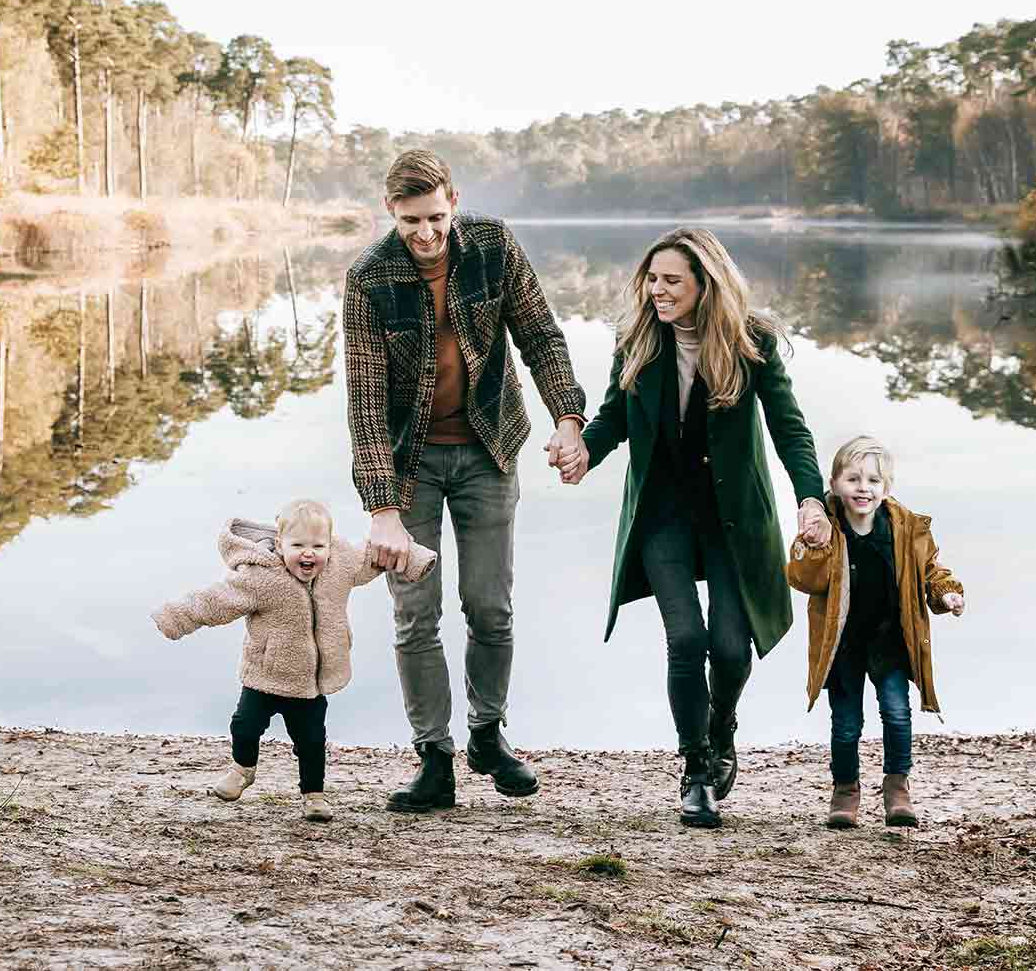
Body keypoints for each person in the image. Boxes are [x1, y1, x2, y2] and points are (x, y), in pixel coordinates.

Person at [342, 149, 587, 812]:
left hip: (489, 448)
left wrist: (568, 418)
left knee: (491, 606)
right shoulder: (368, 276)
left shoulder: (491, 245)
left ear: (454, 201)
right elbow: (364, 402)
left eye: (435, 218)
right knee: (414, 614)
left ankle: (486, 733)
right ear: (390, 212)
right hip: (408, 463)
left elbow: (540, 334)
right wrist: (382, 509)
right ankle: (434, 757)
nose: (424, 234)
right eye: (410, 220)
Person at [566, 227, 828, 828]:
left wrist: (810, 499)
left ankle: (722, 726)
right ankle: (696, 768)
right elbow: (614, 417)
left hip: (733, 520)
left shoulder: (749, 340)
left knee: (733, 650)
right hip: (662, 515)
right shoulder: (637, 338)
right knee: (687, 640)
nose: (657, 291)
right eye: (652, 279)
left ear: (704, 283)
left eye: (671, 281)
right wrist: (585, 451)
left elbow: (791, 430)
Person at [150, 500, 436, 822]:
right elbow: (216, 601)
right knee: (243, 726)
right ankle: (243, 769)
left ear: (329, 545)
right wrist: (175, 617)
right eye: (297, 545)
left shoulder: (339, 565)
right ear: (280, 544)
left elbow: (375, 555)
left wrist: (415, 557)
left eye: (318, 545)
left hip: (310, 684)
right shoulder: (262, 578)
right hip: (264, 677)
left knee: (311, 743)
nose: (308, 553)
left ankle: (313, 794)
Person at [787, 436, 965, 829]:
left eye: (873, 480)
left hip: (890, 641)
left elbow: (931, 570)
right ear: (833, 484)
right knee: (846, 723)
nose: (863, 488)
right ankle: (846, 790)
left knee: (897, 714)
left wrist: (947, 594)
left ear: (887, 489)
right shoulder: (825, 529)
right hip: (843, 644)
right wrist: (812, 546)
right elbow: (801, 579)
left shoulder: (905, 529)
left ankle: (897, 787)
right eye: (853, 479)